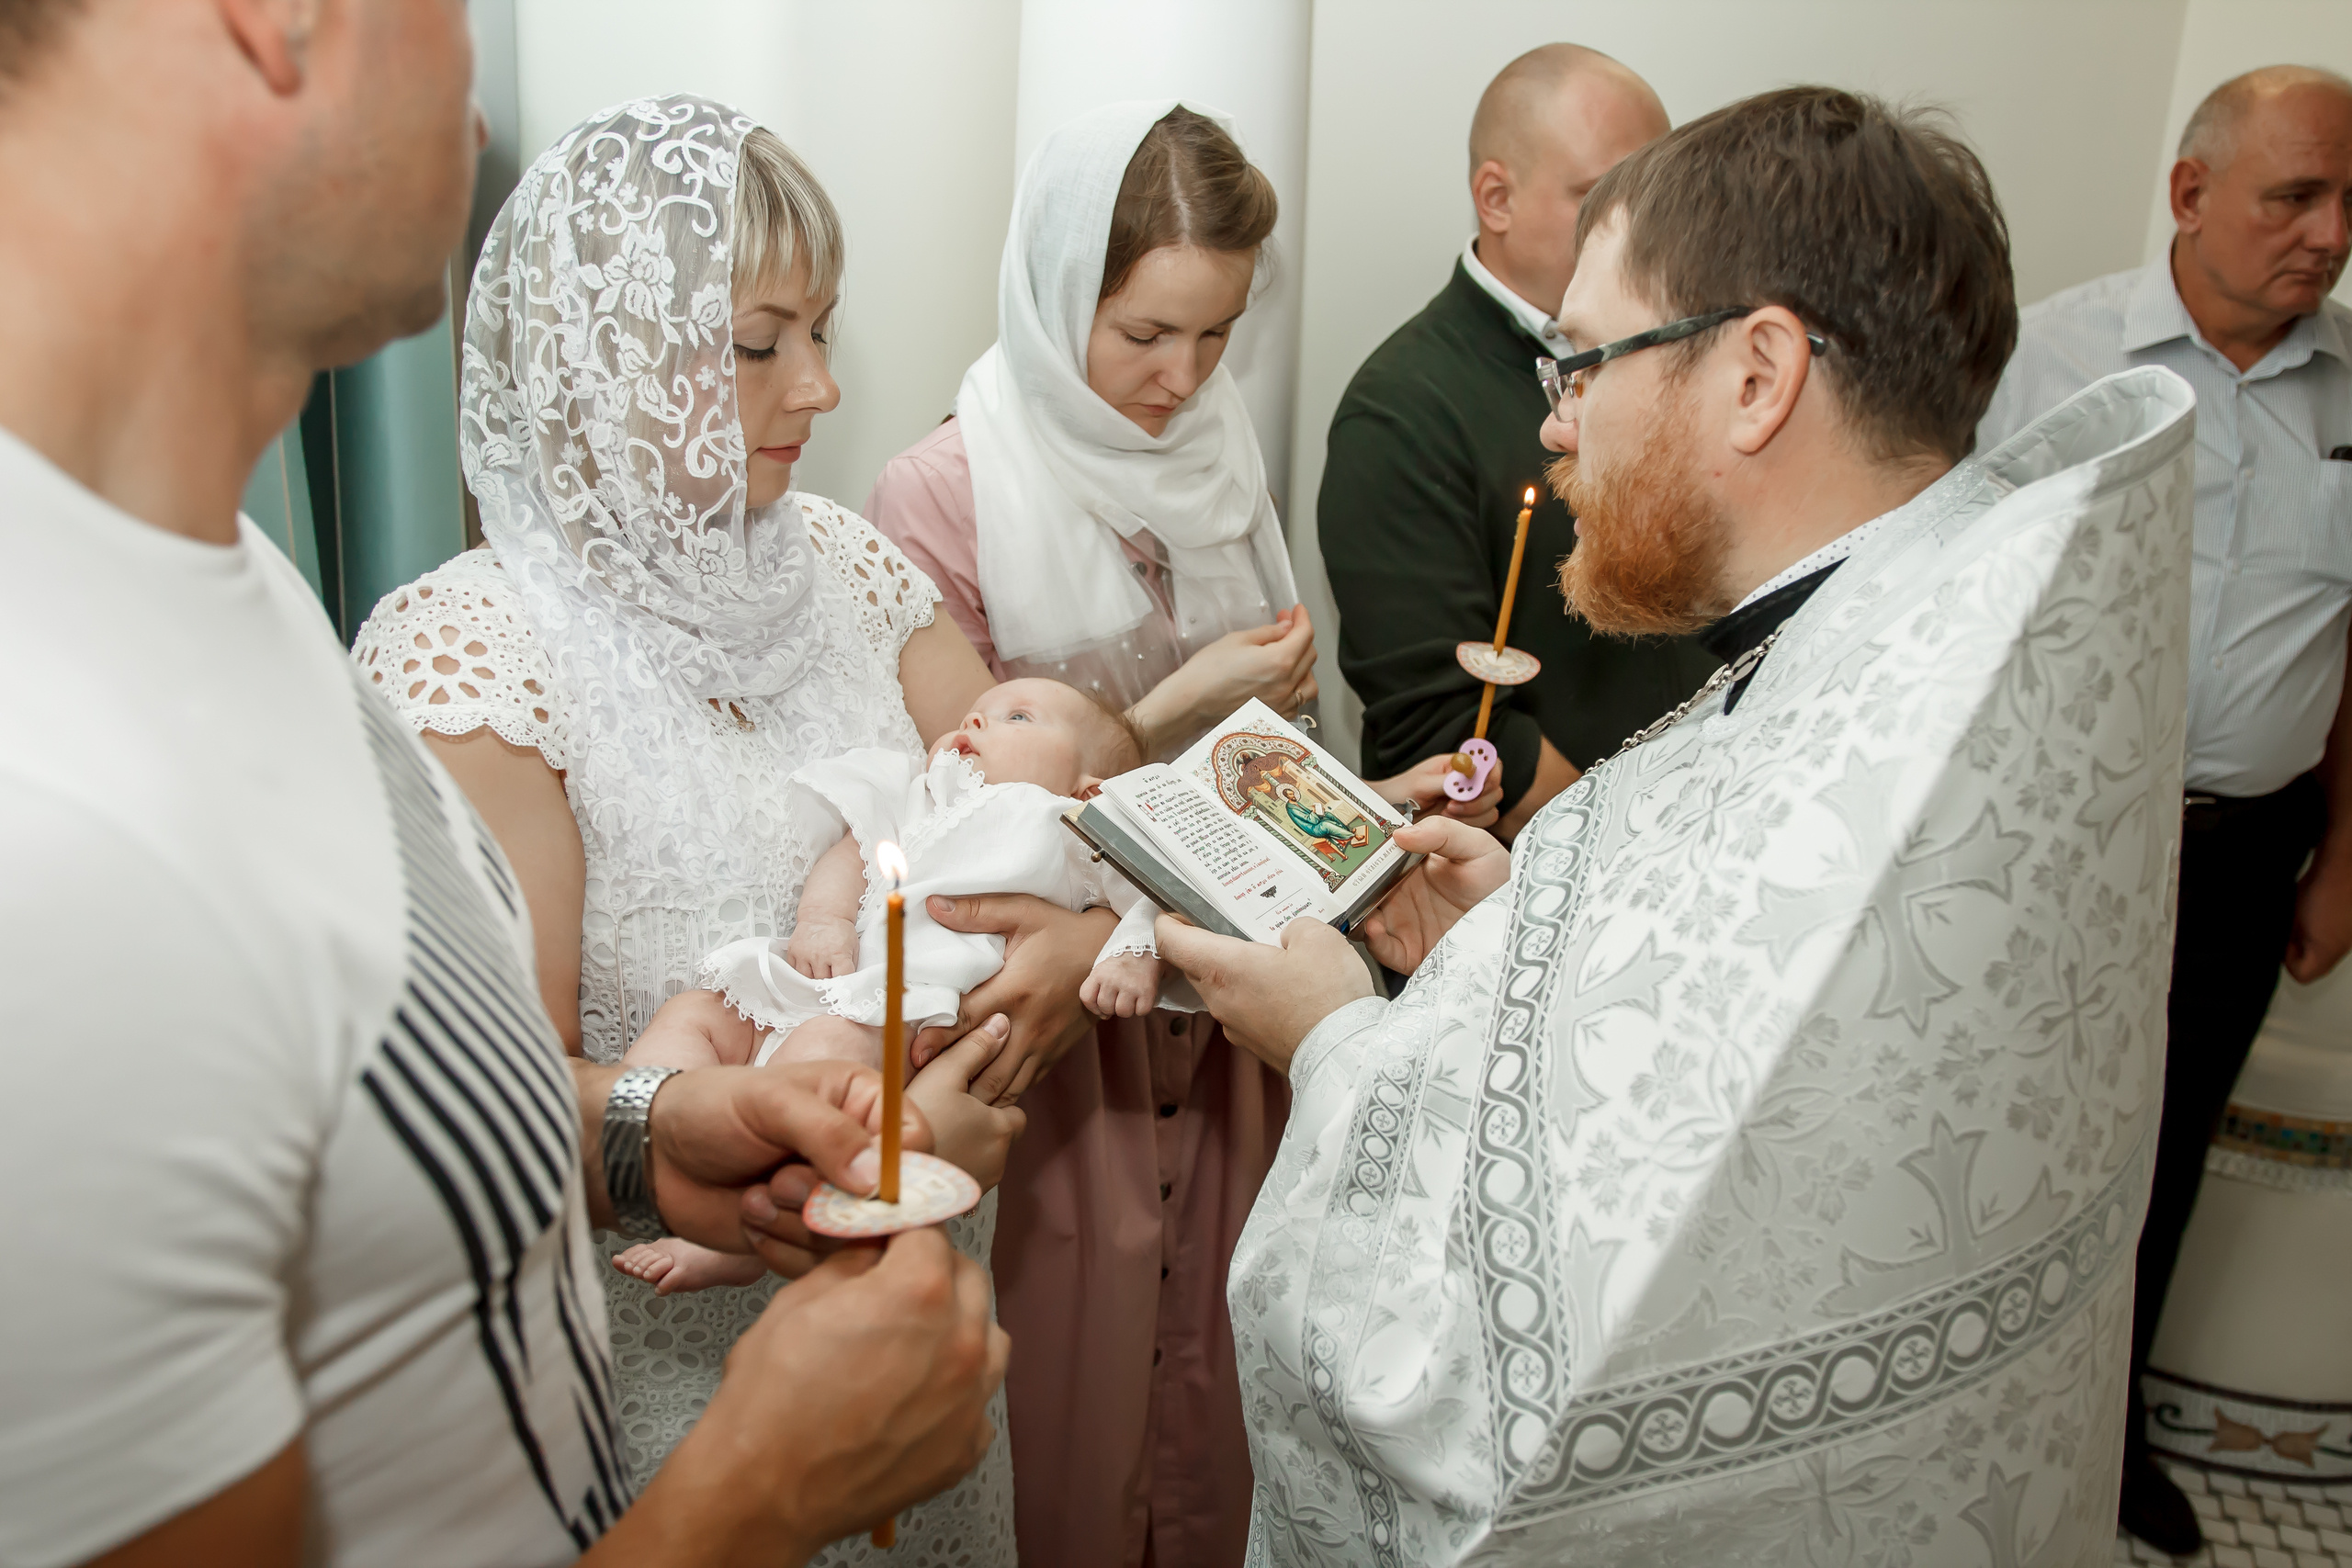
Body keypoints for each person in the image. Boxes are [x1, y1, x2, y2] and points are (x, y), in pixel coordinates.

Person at [0, 4, 1002, 1565]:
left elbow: (410, 1154)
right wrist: (757, 1492)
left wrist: (656, 1139)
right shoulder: (55, 804)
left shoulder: (236, 590)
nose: (481, 83)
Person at [1155, 87, 2199, 1564]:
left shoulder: (1856, 743)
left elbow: (1484, 1421)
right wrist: (1510, 949)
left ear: (1760, 374)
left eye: (1582, 359)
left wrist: (1337, 1039)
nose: (1555, 416)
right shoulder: (1929, 658)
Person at [349, 95, 1027, 1562]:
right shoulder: (477, 659)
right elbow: (491, 1110)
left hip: (925, 1346)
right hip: (678, 1409)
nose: (825, 387)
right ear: (608, 361)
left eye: (826, 329)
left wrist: (997, 1044)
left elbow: (1024, 828)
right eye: (758, 342)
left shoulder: (849, 566)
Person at [866, 99, 1498, 1566]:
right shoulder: (937, 495)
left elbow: (1271, 774)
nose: (1182, 377)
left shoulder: (1221, 466)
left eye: (1215, 337)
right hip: (1062, 1035)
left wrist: (1362, 813)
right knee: (1069, 1412)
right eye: (1145, 332)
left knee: (1213, 1395)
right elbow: (953, 806)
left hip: (1226, 1025)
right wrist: (1173, 713)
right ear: (1051, 292)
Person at [1973, 62, 2352, 1556]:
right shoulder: (2050, 361)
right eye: (2293, 196)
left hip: (2251, 853)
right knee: (2019, 1151)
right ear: (2191, 195)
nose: (2326, 234)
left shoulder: (2350, 397)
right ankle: (1983, 1437)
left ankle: (2106, 1442)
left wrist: (2342, 863)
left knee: (2168, 1151)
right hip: (2066, 848)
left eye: (2345, 201)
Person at [616, 678, 1162, 1293]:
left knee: (822, 1055)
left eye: (1016, 716)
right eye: (974, 711)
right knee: (695, 1014)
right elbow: (853, 856)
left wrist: (1131, 954)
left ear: (1087, 787)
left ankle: (746, 1224)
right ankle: (641, 1152)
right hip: (825, 986)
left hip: (901, 1020)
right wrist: (824, 920)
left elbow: (1146, 897)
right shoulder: (913, 793)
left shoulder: (1067, 823)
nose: (976, 722)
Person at [1317, 44, 1718, 839]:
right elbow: (1452, 729)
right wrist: (1643, 848)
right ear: (1495, 198)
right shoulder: (1400, 408)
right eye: (1604, 196)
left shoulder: (1680, 353)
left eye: (1658, 197)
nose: (1647, 231)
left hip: (1709, 802)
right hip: (1564, 874)